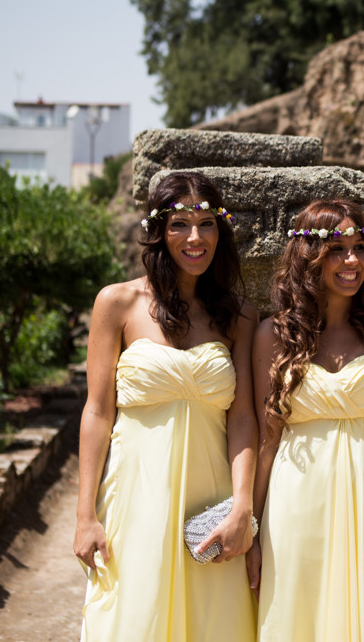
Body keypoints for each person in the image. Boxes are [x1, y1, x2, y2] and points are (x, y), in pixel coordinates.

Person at [74, 171, 258, 640]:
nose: (195, 237)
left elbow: (242, 418)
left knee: (213, 621)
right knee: (134, 617)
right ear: (158, 230)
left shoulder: (239, 316)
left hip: (210, 498)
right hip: (135, 492)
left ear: (221, 230)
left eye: (207, 223)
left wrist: (241, 508)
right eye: (180, 223)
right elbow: (97, 411)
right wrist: (85, 516)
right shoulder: (116, 303)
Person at [249, 199, 364, 640]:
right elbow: (266, 438)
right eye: (336, 249)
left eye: (360, 247)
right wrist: (251, 531)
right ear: (307, 257)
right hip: (297, 503)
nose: (352, 260)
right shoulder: (273, 335)